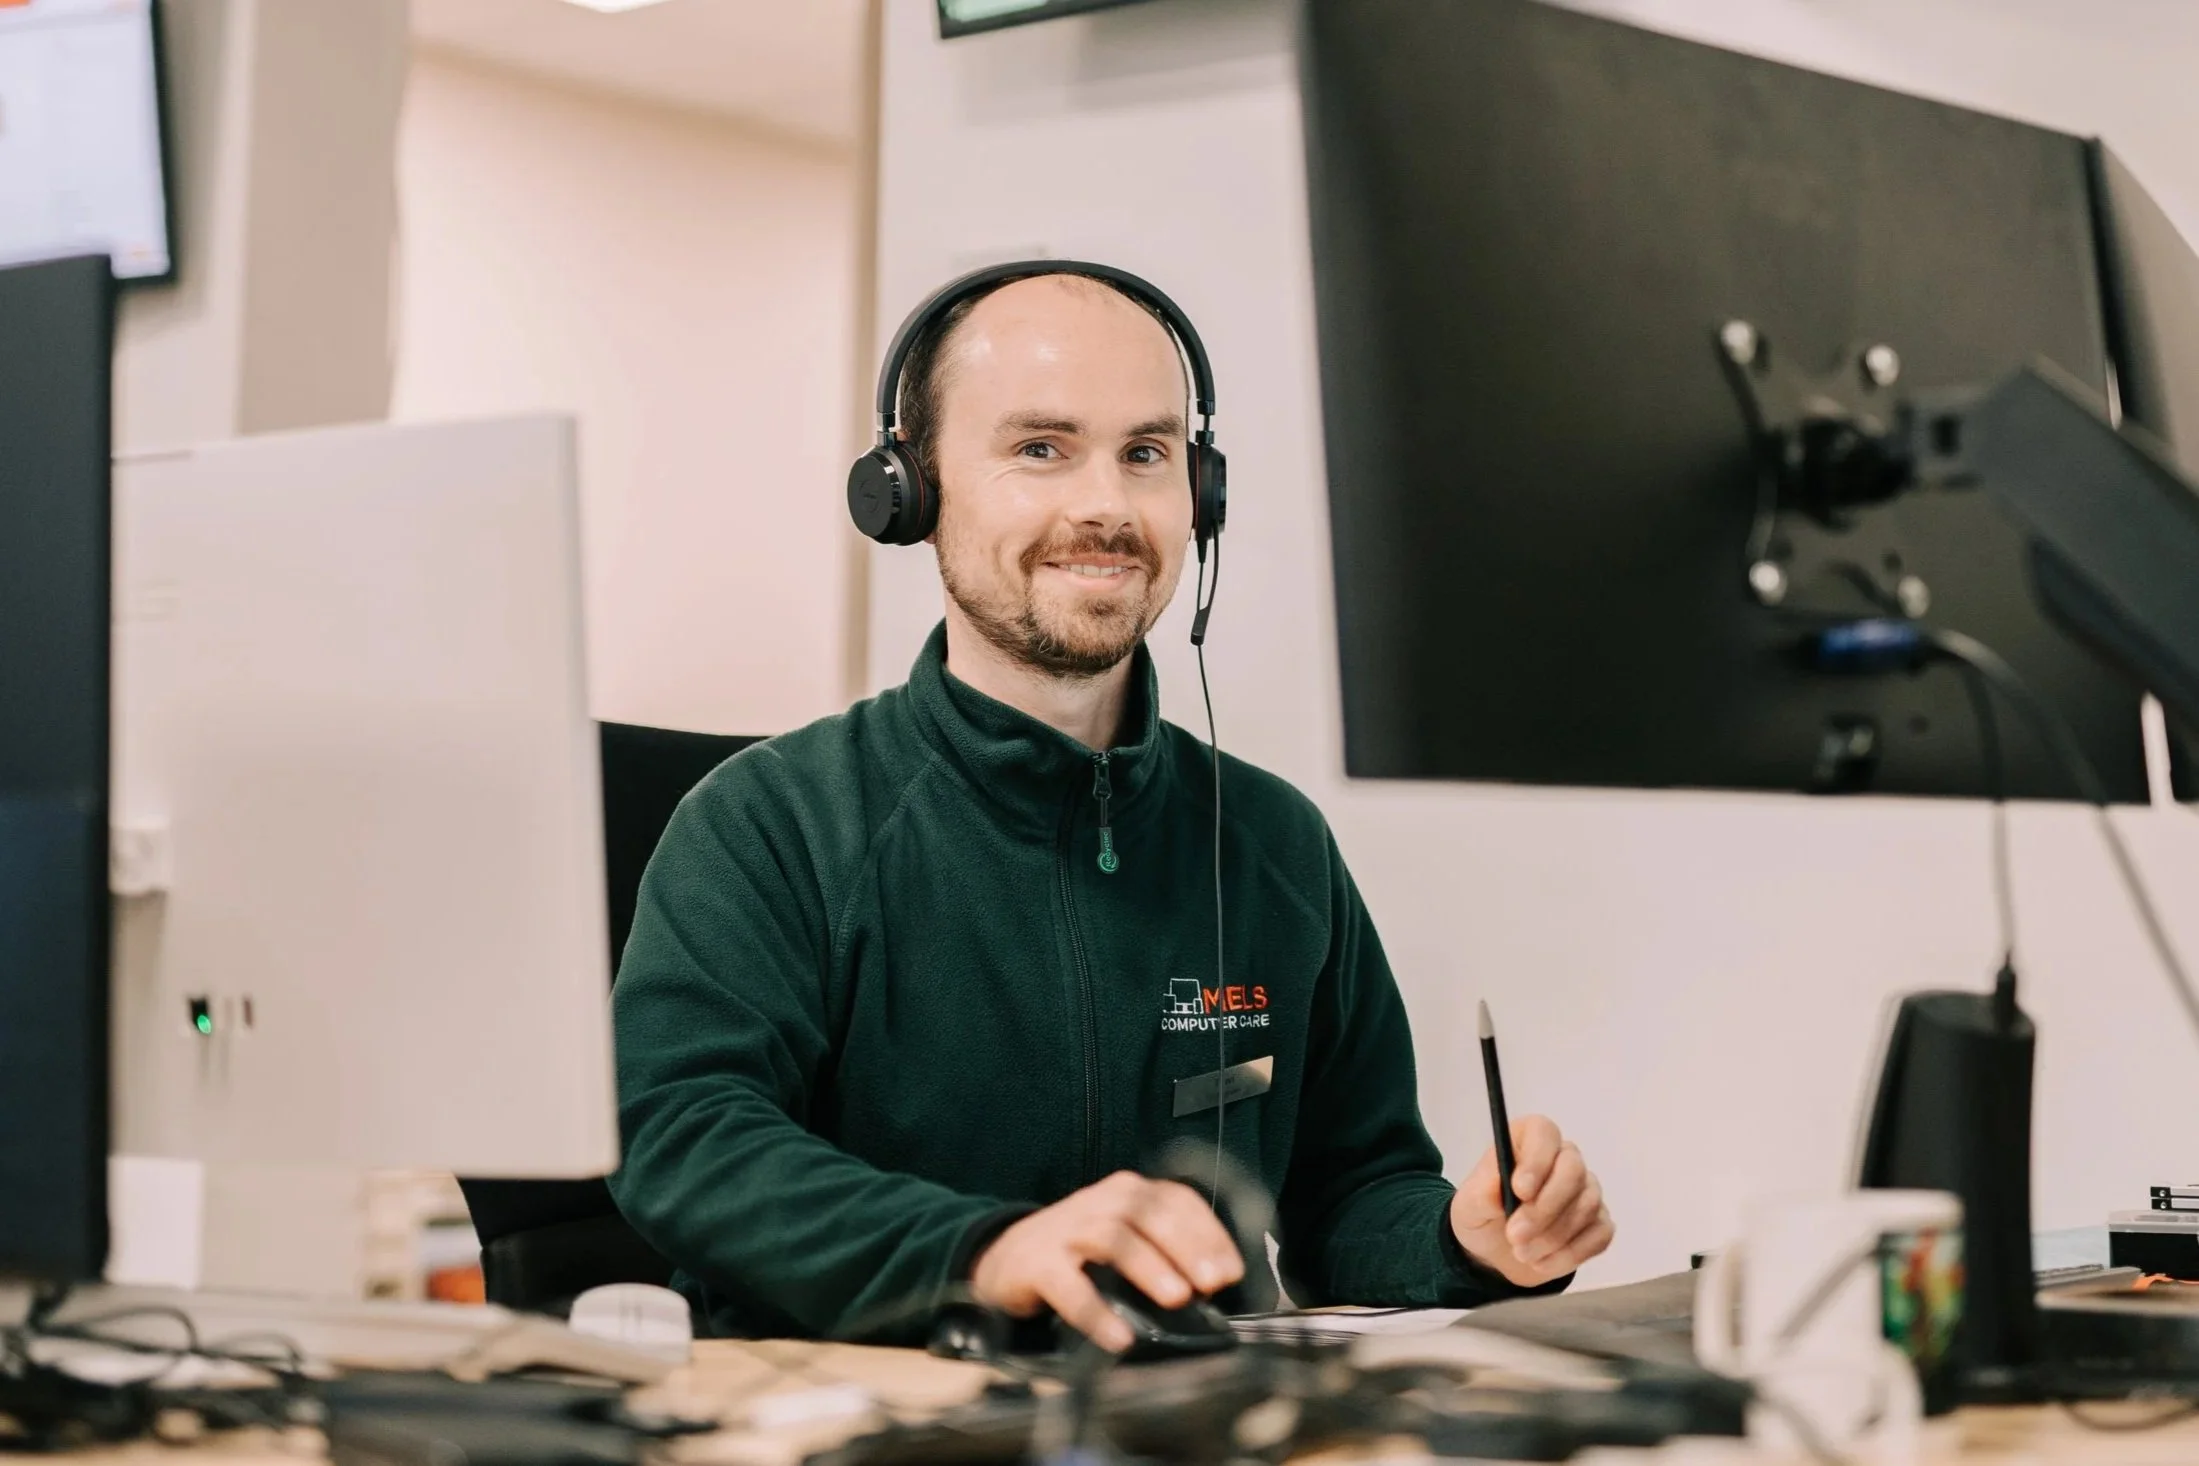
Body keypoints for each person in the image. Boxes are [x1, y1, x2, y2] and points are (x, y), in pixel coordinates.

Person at [608, 265, 1614, 1347]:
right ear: (914, 484)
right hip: (877, 1422)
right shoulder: (770, 824)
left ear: (1202, 494)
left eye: (1146, 453)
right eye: (1040, 448)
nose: (1103, 505)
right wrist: (986, 1252)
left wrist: (1466, 1242)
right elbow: (679, 1134)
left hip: (1202, 1421)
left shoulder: (1273, 844)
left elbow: (1355, 1189)